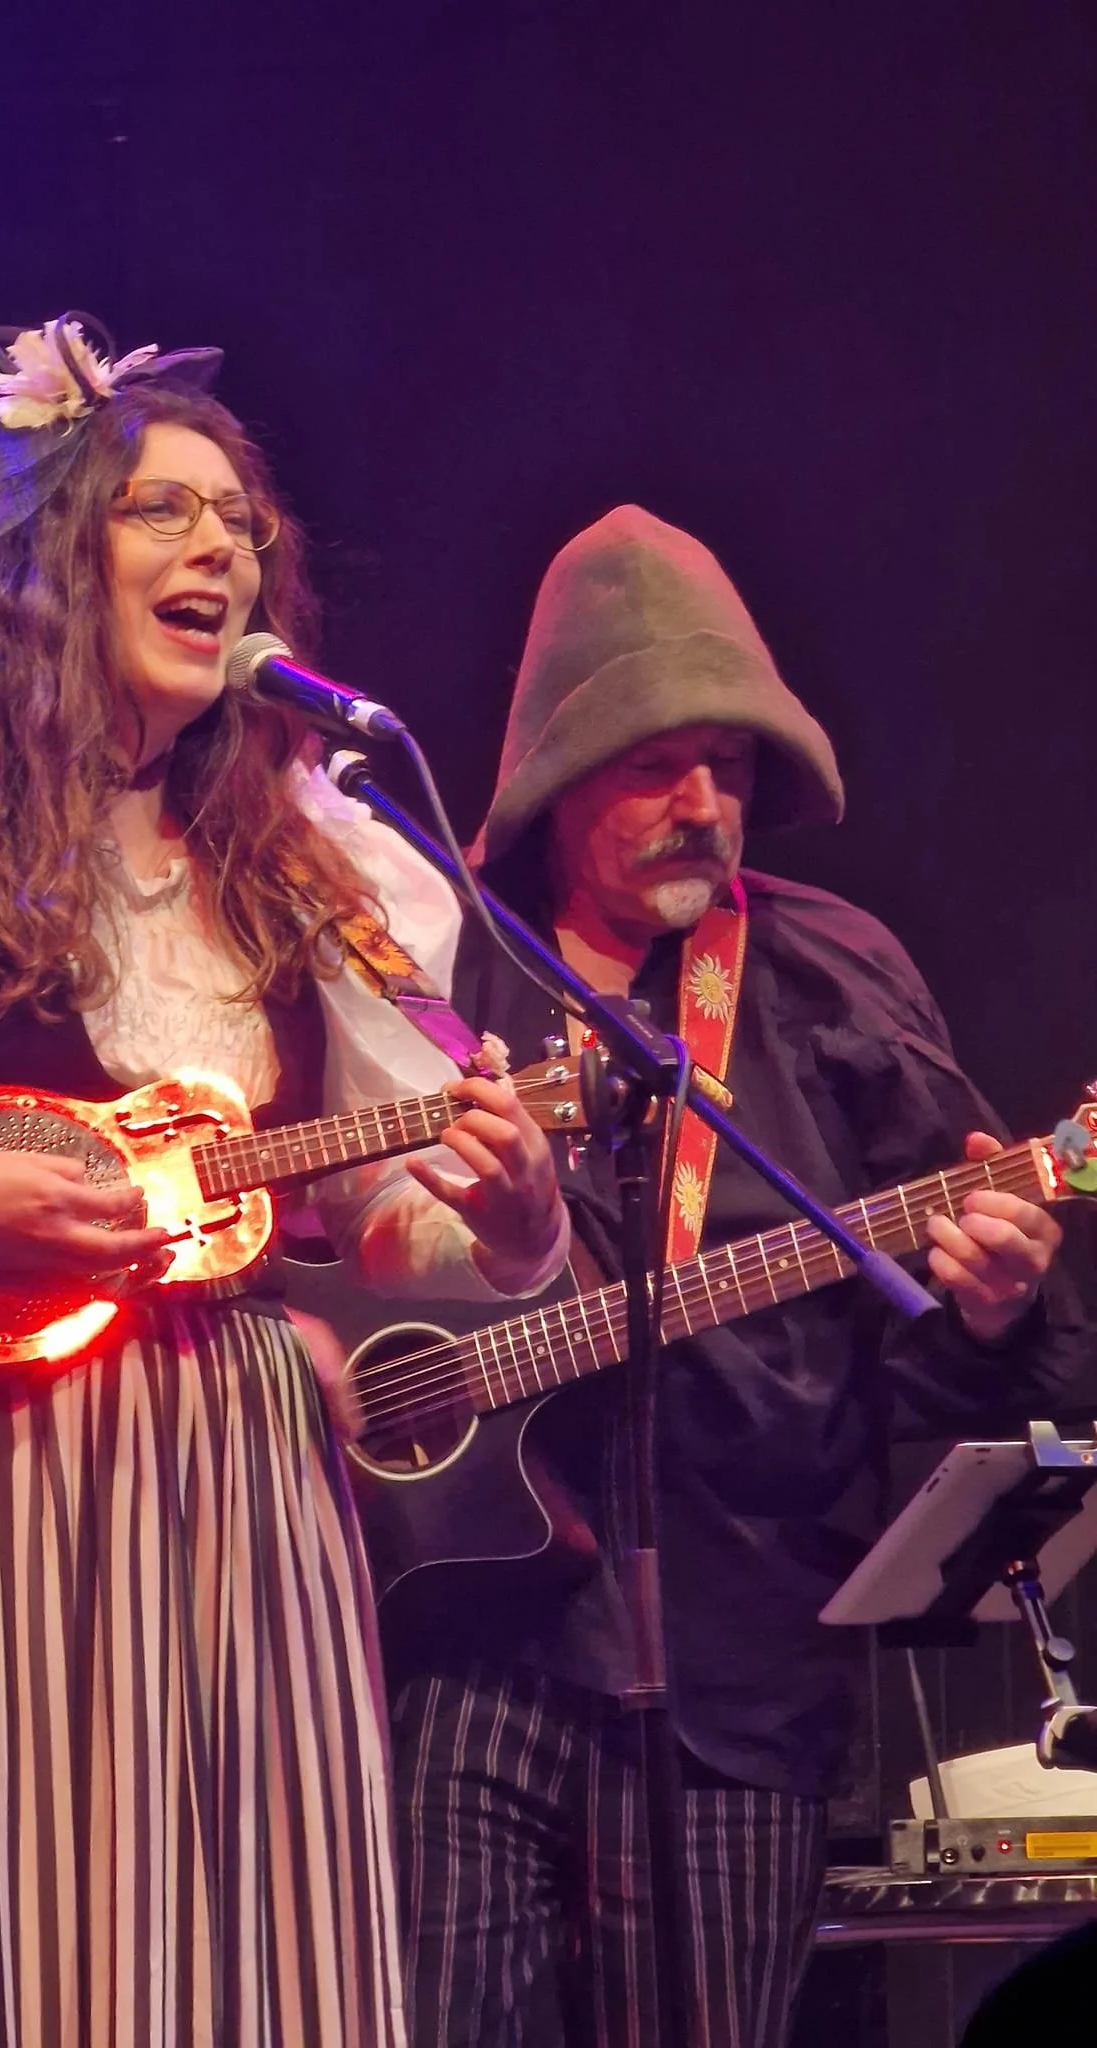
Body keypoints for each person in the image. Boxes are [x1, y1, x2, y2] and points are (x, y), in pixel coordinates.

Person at [0, 311, 570, 2047]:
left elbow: (387, 1225)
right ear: (50, 562)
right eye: (166, 513)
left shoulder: (314, 866)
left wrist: (508, 1228)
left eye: (240, 524)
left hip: (228, 1465)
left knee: (232, 1951)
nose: (224, 545)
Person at [382, 505, 1087, 2047]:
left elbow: (952, 1362)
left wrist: (996, 1300)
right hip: (461, 1645)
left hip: (733, 1666)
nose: (704, 802)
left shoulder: (838, 972)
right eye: (655, 764)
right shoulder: (450, 962)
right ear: (561, 783)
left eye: (733, 765)